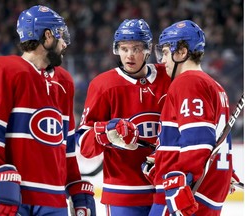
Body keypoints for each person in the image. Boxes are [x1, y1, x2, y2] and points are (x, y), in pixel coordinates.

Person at [0, 5, 95, 216]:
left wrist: (74, 184)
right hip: (6, 195)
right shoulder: (2, 69)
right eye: (61, 36)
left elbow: (66, 144)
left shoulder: (64, 81)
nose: (65, 43)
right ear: (47, 36)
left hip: (53, 198)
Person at [76, 19, 171, 216]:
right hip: (124, 192)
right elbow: (84, 145)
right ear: (116, 49)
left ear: (148, 49)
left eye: (136, 48)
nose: (129, 55)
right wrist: (107, 133)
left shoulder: (168, 77)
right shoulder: (103, 85)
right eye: (124, 48)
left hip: (165, 188)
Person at [146, 20, 238, 215]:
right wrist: (161, 158)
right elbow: (216, 140)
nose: (162, 61)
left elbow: (198, 143)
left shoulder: (187, 82)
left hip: (185, 197)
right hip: (206, 195)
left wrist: (180, 182)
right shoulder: (215, 86)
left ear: (181, 52)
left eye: (164, 52)